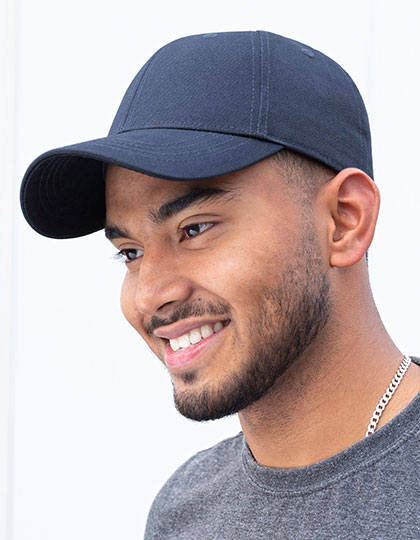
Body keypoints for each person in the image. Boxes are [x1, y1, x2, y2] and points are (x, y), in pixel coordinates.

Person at [20, 31, 420, 538]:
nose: (149, 295)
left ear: (344, 220)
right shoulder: (183, 511)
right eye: (131, 252)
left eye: (195, 229)